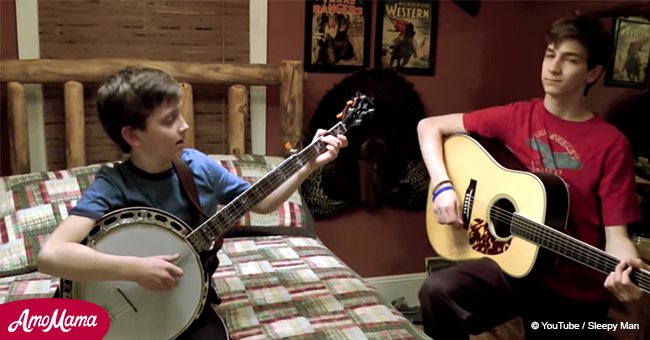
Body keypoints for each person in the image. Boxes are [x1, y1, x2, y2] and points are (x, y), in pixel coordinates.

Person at [36, 67, 348, 339]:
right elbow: (51, 255)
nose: (184, 125)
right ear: (132, 135)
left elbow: (262, 202)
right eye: (170, 120)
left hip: (180, 299)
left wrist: (307, 165)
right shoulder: (112, 184)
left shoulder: (198, 167)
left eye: (180, 114)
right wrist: (135, 269)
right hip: (112, 298)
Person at [417, 15, 648, 339]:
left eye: (569, 60)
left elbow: (617, 238)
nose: (553, 67)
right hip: (515, 266)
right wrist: (442, 186)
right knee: (437, 290)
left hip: (574, 291)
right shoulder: (516, 116)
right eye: (550, 54)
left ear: (593, 72)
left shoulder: (611, 144)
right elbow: (429, 127)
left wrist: (628, 270)